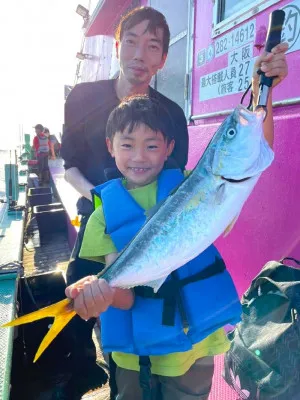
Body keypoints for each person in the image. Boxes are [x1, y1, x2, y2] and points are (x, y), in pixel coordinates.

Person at [65, 42, 289, 400]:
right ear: (110, 146)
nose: (139, 155)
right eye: (127, 145)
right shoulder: (103, 215)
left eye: (152, 145)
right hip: (134, 360)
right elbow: (123, 298)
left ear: (169, 147)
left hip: (194, 351)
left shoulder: (197, 186)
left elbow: (256, 151)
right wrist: (99, 293)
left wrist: (265, 91)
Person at [60, 6, 189, 397]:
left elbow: (174, 186)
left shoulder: (171, 114)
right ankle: (91, 370)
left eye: (152, 47)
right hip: (97, 216)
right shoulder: (82, 98)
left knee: (139, 307)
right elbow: (69, 167)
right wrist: (101, 199)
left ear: (163, 58)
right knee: (79, 294)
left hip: (147, 230)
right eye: (131, 42)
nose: (139, 55)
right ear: (117, 46)